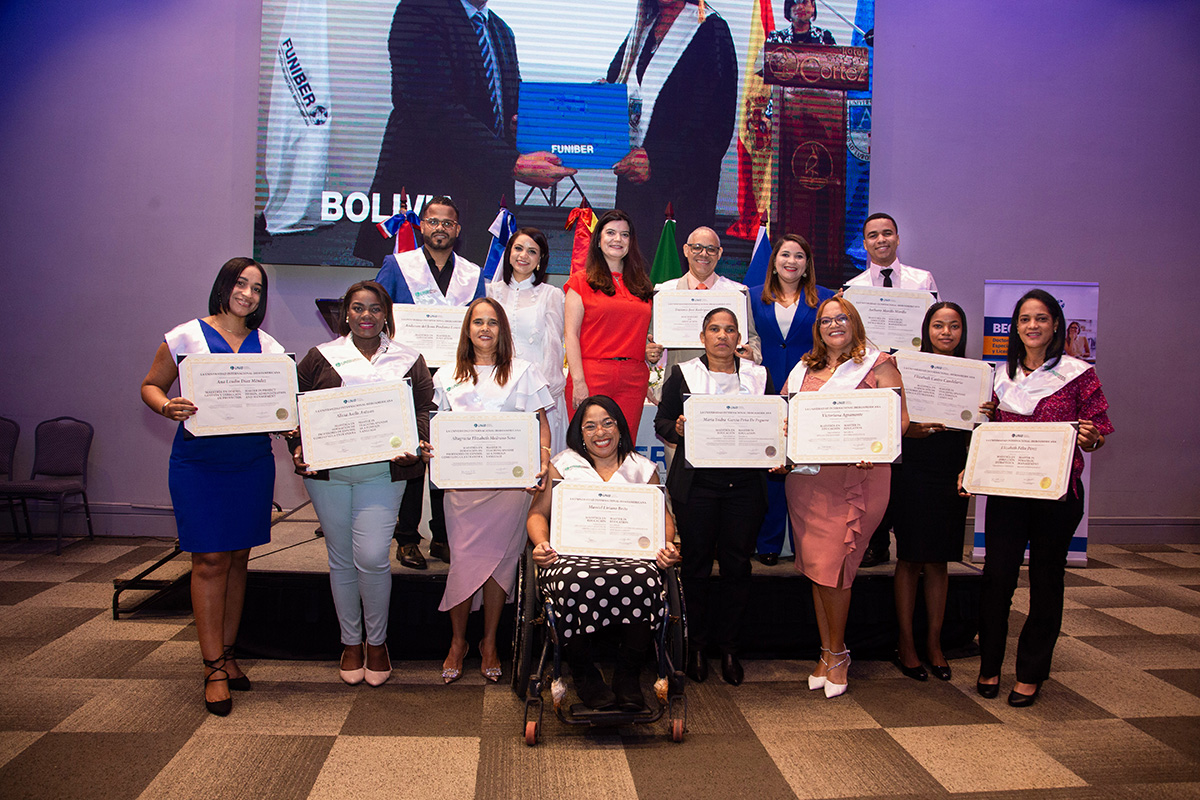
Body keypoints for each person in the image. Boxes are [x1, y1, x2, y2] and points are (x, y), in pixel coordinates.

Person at [140, 258, 284, 716]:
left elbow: (284, 405)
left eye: (257, 289)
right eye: (241, 284)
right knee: (209, 560)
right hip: (199, 464)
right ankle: (212, 668)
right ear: (224, 286)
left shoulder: (270, 346)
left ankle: (228, 653)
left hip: (251, 464)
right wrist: (166, 406)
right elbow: (150, 385)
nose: (248, 294)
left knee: (238, 557)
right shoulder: (185, 336)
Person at [970, 289, 1112, 707]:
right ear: (1015, 327)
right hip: (1007, 494)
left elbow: (1098, 432)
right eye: (1025, 319)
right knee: (997, 579)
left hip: (1057, 495)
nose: (1033, 325)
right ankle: (990, 663)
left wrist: (1092, 437)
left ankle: (1030, 671)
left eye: (1042, 318)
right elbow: (984, 432)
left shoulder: (1079, 373)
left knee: (1047, 581)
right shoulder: (997, 376)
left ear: (1055, 326)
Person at [353, 0, 575, 266]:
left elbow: (505, 103)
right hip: (428, 193)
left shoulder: (501, 31)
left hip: (483, 202)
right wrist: (512, 163)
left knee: (481, 296)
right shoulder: (419, 11)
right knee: (414, 297)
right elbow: (434, 109)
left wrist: (528, 126)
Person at [289, 281, 434, 688]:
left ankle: (378, 642)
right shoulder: (322, 357)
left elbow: (425, 407)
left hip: (383, 473)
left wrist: (416, 441)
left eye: (374, 308)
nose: (366, 315)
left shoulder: (409, 359)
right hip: (329, 475)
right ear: (346, 314)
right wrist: (298, 446)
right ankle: (351, 642)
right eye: (357, 308)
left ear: (387, 314)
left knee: (371, 556)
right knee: (340, 558)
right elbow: (296, 409)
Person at [783, 297, 908, 698]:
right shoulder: (804, 368)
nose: (834, 325)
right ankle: (827, 650)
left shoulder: (879, 364)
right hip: (809, 481)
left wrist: (875, 445)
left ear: (855, 323)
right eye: (825, 320)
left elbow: (899, 419)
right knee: (820, 569)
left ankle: (838, 653)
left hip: (859, 477)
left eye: (842, 318)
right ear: (817, 328)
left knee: (836, 567)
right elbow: (785, 415)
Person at [527, 396, 680, 710]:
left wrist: (666, 547)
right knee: (571, 580)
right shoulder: (563, 464)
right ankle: (585, 676)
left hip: (631, 557)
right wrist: (541, 543)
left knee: (645, 579)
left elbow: (663, 520)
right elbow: (537, 515)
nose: (601, 432)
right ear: (580, 433)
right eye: (590, 425)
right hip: (571, 557)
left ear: (620, 426)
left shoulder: (642, 468)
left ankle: (627, 676)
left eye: (608, 422)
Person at [431, 297, 553, 684]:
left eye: (493, 323)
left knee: (501, 566)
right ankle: (457, 641)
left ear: (503, 330)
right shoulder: (446, 374)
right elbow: (436, 426)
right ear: (467, 329)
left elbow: (541, 425)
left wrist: (545, 457)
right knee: (464, 563)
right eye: (478, 322)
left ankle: (488, 642)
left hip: (509, 489)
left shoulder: (524, 371)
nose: (485, 328)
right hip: (463, 489)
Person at [654, 308, 776, 686]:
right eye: (714, 329)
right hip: (698, 487)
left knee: (738, 567)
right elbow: (662, 423)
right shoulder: (684, 373)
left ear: (739, 337)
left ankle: (730, 648)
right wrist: (674, 427)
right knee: (696, 568)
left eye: (729, 329)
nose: (722, 336)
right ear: (702, 335)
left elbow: (775, 422)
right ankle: (696, 647)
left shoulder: (758, 376)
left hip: (744, 489)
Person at [374, 196, 484, 571]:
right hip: (407, 376)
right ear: (422, 225)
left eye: (447, 223)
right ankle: (406, 538)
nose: (440, 228)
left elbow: (481, 322)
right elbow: (377, 311)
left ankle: (442, 537)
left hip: (454, 375)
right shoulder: (398, 265)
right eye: (433, 221)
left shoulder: (472, 273)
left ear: (457, 229)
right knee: (410, 455)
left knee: (445, 454)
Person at [891, 302, 982, 683]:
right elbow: (891, 421)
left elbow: (980, 432)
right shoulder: (905, 367)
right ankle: (907, 644)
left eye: (954, 326)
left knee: (940, 561)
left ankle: (934, 643)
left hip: (950, 471)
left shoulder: (976, 375)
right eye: (939, 325)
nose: (946, 332)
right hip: (912, 467)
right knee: (911, 559)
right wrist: (911, 429)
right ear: (926, 329)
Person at [606, 0, 737, 253]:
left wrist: (656, 158)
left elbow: (716, 127)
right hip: (635, 182)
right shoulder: (643, 28)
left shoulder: (710, 29)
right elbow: (617, 80)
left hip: (682, 188)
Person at [846, 213, 937, 568]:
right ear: (865, 243)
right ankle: (876, 542)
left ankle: (910, 543)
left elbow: (934, 328)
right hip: (871, 382)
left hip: (912, 380)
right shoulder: (854, 287)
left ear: (897, 238)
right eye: (872, 235)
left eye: (887, 233)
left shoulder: (922, 280)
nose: (880, 240)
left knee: (908, 464)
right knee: (877, 459)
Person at [750, 233, 836, 566]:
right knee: (772, 466)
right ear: (774, 261)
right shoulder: (752, 297)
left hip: (810, 391)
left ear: (807, 264)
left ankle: (807, 544)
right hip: (767, 392)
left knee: (806, 472)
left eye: (799, 256)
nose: (791, 261)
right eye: (785, 255)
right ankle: (769, 543)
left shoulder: (826, 299)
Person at [565, 209, 659, 440]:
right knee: (589, 448)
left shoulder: (643, 286)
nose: (618, 239)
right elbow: (571, 334)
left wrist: (650, 350)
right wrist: (578, 381)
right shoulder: (580, 281)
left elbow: (643, 334)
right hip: (592, 375)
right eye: (611, 233)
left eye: (624, 234)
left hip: (633, 378)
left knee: (624, 449)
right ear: (598, 240)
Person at [487, 227, 568, 454]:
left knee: (538, 463)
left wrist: (542, 394)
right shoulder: (490, 292)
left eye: (532, 251)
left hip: (538, 393)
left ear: (540, 260)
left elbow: (553, 349)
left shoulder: (551, 295)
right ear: (509, 253)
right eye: (519, 248)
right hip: (495, 391)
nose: (524, 256)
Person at [767, 0, 837, 45]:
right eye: (794, 3)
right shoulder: (776, 39)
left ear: (813, 7)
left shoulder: (825, 37)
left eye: (804, 2)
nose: (799, 7)